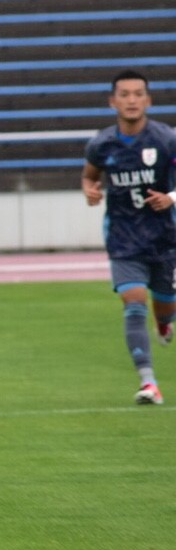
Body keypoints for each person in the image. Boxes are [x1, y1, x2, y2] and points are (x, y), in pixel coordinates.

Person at [82, 68, 176, 405]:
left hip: (166, 238)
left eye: (138, 94)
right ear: (113, 101)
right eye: (124, 94)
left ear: (148, 100)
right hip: (124, 239)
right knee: (134, 303)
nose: (131, 100)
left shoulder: (166, 140)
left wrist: (171, 198)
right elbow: (89, 176)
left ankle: (164, 322)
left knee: (165, 305)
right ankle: (148, 382)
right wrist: (90, 191)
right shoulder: (101, 144)